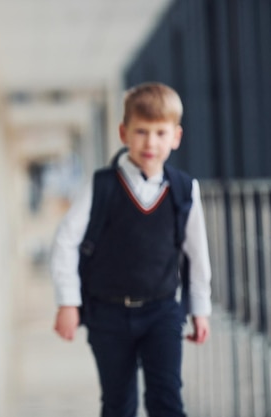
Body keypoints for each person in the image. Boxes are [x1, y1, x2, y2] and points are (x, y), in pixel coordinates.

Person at [50, 82, 211, 417]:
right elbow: (66, 240)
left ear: (175, 137)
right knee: (118, 403)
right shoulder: (102, 185)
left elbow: (197, 255)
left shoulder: (184, 190)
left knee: (166, 400)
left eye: (160, 133)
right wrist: (68, 302)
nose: (150, 142)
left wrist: (201, 309)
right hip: (108, 315)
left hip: (163, 312)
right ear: (124, 132)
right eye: (141, 131)